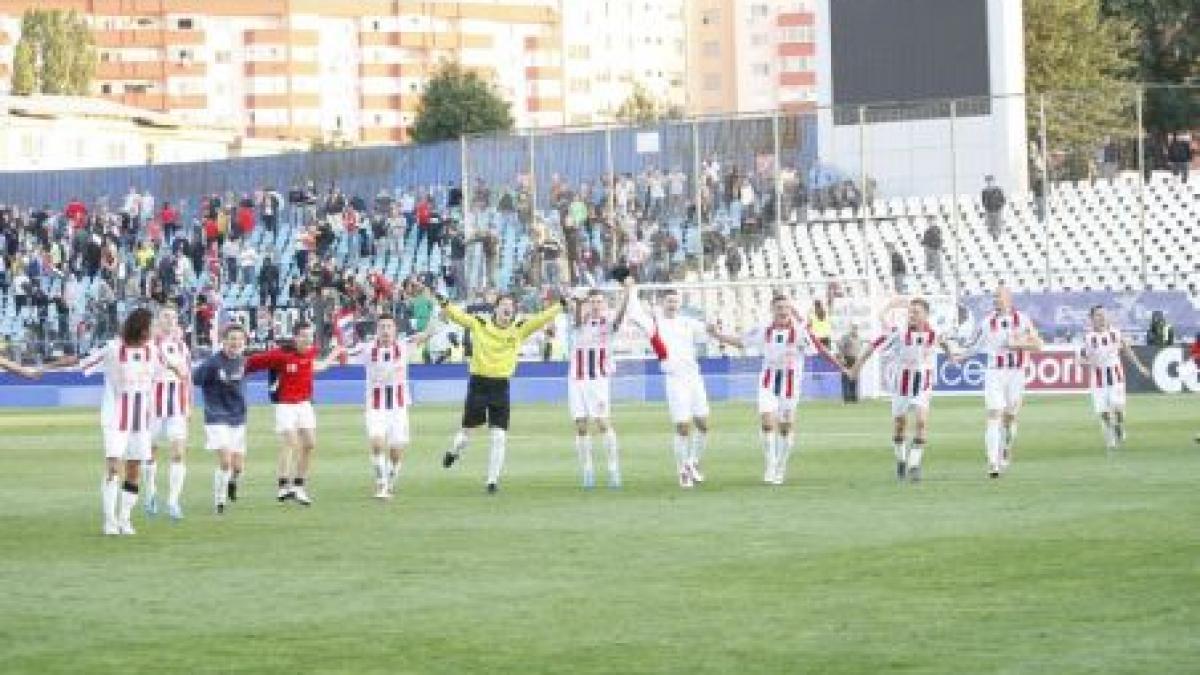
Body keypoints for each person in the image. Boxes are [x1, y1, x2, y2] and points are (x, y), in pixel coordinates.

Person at [438, 288, 565, 493]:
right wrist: (444, 303)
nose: (508, 309)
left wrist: (561, 305)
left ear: (514, 310)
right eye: (504, 305)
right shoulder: (480, 324)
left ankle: (492, 481)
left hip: (501, 386)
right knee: (465, 435)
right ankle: (454, 451)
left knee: (499, 436)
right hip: (478, 383)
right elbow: (458, 316)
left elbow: (542, 319)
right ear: (495, 309)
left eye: (511, 306)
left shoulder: (519, 328)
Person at [709, 294, 846, 484]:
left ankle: (780, 467)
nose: (783, 311)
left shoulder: (800, 332)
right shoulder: (763, 330)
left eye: (786, 308)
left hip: (790, 385)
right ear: (772, 309)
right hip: (768, 382)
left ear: (790, 310)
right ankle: (770, 464)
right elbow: (741, 342)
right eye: (779, 307)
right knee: (766, 422)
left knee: (786, 427)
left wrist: (841, 367)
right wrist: (717, 335)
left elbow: (819, 349)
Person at [79, 308, 186, 535]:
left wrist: (178, 370)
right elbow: (83, 361)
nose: (155, 329)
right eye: (152, 325)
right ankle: (109, 521)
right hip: (115, 419)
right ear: (141, 328)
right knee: (112, 466)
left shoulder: (153, 352)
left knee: (134, 469)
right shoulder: (113, 349)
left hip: (141, 421)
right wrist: (42, 369)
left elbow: (172, 369)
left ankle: (125, 518)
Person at [849, 297, 960, 482]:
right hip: (901, 386)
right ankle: (901, 460)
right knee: (900, 427)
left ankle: (914, 465)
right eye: (911, 312)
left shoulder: (934, 333)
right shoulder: (899, 333)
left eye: (916, 312)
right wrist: (857, 366)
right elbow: (873, 345)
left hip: (922, 386)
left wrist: (951, 357)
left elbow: (944, 343)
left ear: (926, 315)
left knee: (922, 422)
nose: (912, 315)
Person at [245, 321, 343, 505]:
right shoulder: (281, 355)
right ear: (296, 337)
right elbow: (253, 362)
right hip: (285, 405)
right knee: (290, 441)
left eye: (310, 336)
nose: (308, 340)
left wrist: (333, 356)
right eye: (304, 336)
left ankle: (299, 486)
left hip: (305, 405)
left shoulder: (310, 352)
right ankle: (283, 486)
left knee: (310, 444)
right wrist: (235, 373)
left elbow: (316, 367)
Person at [625, 283, 711, 488]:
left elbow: (708, 331)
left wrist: (714, 328)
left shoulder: (688, 323)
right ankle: (682, 470)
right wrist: (632, 289)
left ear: (680, 303)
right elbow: (634, 313)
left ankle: (692, 463)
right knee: (682, 426)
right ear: (662, 303)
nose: (672, 304)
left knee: (703, 424)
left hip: (694, 377)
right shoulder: (654, 323)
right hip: (675, 379)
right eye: (669, 301)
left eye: (675, 301)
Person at [346, 313, 433, 499]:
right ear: (377, 330)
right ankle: (381, 484)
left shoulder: (404, 345)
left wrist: (440, 316)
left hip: (398, 407)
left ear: (395, 330)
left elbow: (426, 334)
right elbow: (345, 354)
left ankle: (391, 479)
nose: (385, 330)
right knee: (377, 443)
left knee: (395, 450)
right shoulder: (367, 349)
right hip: (375, 406)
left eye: (389, 327)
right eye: (382, 327)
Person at [963, 287, 1043, 478]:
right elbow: (972, 346)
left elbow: (1038, 345)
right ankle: (992, 463)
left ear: (1008, 298)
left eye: (999, 296)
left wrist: (1017, 344)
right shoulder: (987, 322)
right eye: (994, 297)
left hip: (1016, 373)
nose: (995, 300)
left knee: (1009, 418)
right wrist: (957, 355)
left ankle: (1006, 448)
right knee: (993, 415)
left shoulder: (1022, 320)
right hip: (994, 372)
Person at [567, 284, 633, 489]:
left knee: (603, 423)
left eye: (599, 302)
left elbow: (620, 316)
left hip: (598, 380)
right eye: (592, 302)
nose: (595, 305)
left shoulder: (608, 322)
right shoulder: (580, 320)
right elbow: (577, 320)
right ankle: (587, 470)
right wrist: (578, 303)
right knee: (580, 425)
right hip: (576, 379)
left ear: (604, 304)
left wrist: (627, 294)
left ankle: (613, 469)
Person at [193, 324, 250, 515]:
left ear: (244, 342)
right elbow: (195, 379)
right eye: (232, 338)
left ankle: (232, 482)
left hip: (238, 417)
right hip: (216, 416)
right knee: (225, 460)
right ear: (224, 340)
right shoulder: (213, 363)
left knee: (238, 466)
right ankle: (219, 501)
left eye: (239, 339)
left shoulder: (243, 361)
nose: (236, 342)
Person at [1076, 306, 1149, 451]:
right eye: (1098, 315)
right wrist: (1089, 362)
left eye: (1104, 314)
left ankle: (1119, 426)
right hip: (1098, 380)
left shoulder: (1115, 334)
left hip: (1116, 377)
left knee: (1117, 408)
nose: (1102, 317)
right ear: (1091, 319)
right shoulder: (1088, 338)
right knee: (1103, 413)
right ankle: (1111, 434)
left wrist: (1140, 366)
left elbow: (1127, 350)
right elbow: (1079, 360)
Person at [143, 306, 192, 521]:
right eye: (165, 316)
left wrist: (189, 403)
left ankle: (173, 501)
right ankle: (150, 492)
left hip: (177, 404)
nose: (170, 320)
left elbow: (187, 376)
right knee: (149, 451)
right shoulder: (149, 345)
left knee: (179, 452)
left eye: (173, 316)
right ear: (158, 320)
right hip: (153, 403)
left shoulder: (182, 346)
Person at [838, 324, 863, 403]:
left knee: (854, 379)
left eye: (856, 328)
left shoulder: (859, 338)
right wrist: (842, 358)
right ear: (850, 329)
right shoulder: (846, 337)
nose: (854, 330)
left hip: (855, 359)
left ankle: (854, 398)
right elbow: (840, 347)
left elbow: (859, 350)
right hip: (846, 358)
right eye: (853, 328)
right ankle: (846, 398)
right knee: (846, 378)